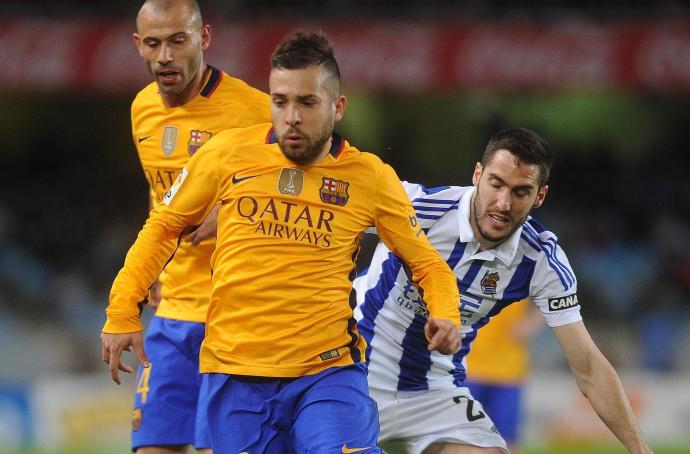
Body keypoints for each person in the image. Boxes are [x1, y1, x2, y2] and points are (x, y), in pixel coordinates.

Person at [102, 31, 461, 453]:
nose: (291, 116)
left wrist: (445, 311)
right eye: (280, 101)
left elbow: (427, 263)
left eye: (306, 103)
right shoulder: (227, 154)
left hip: (326, 372)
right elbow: (162, 228)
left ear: (337, 107)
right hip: (234, 375)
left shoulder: (371, 178)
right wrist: (123, 308)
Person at [354, 128, 653, 454]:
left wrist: (640, 450)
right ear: (477, 174)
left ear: (540, 196)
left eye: (521, 192)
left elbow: (589, 366)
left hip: (433, 394)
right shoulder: (417, 206)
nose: (503, 203)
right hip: (352, 375)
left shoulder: (540, 260)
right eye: (496, 184)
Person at [126, 0, 270, 452]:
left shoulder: (258, 113)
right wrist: (151, 266)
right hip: (172, 313)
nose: (165, 55)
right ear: (139, 46)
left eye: (177, 40)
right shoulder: (142, 110)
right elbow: (161, 198)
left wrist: (230, 213)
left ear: (204, 38)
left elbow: (304, 193)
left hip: (236, 317)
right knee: (153, 447)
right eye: (154, 43)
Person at [465, 299, 544, 453]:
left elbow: (553, 291)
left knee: (506, 442)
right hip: (470, 368)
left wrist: (533, 322)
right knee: (460, 438)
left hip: (508, 372)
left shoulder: (527, 273)